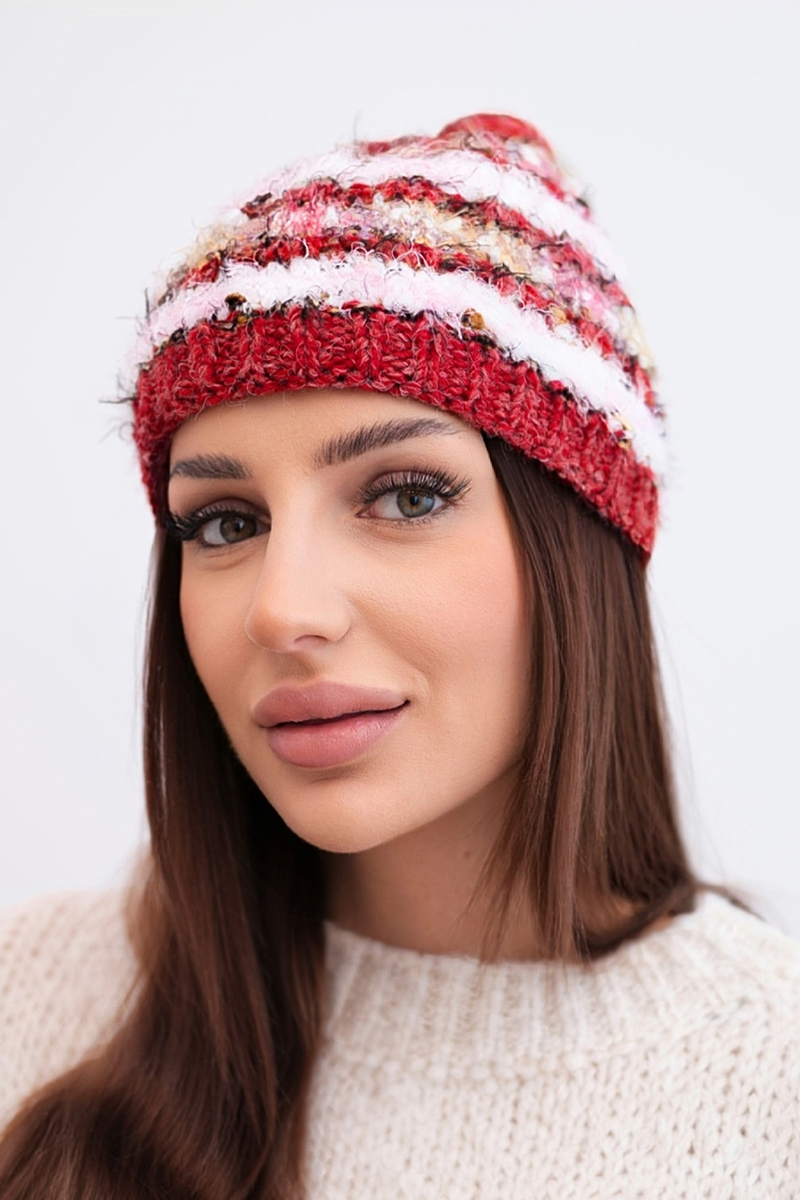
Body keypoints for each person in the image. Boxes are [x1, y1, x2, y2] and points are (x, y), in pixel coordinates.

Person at [0, 113, 797, 1199]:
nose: (282, 610)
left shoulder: (774, 1089)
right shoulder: (31, 1002)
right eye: (225, 522)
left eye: (406, 497)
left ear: (577, 546)